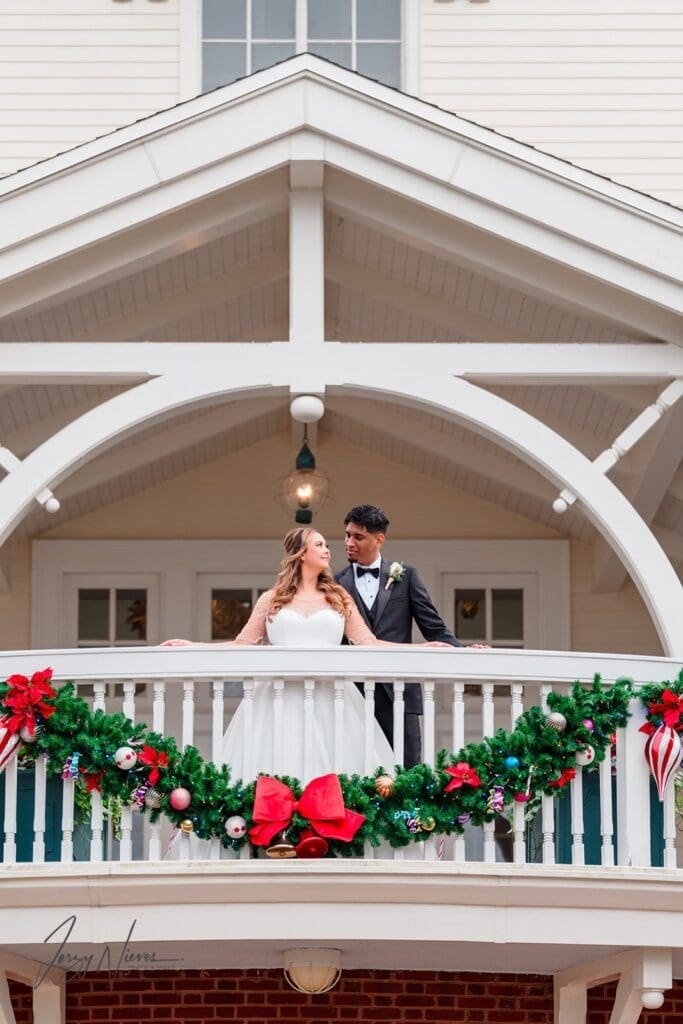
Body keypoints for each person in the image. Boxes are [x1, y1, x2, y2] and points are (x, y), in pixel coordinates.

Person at [162, 527, 451, 782]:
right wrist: (193, 646)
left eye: (326, 545)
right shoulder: (272, 598)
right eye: (320, 545)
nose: (328, 550)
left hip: (332, 699)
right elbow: (243, 644)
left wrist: (420, 648)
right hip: (276, 701)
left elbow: (368, 642)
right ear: (301, 554)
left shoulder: (338, 596)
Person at [335, 504, 477, 769]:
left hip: (399, 691)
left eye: (358, 537)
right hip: (351, 692)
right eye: (347, 535)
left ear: (379, 540)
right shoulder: (335, 582)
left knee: (407, 770)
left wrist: (464, 650)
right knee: (354, 769)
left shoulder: (406, 576)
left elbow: (433, 627)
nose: (348, 543)